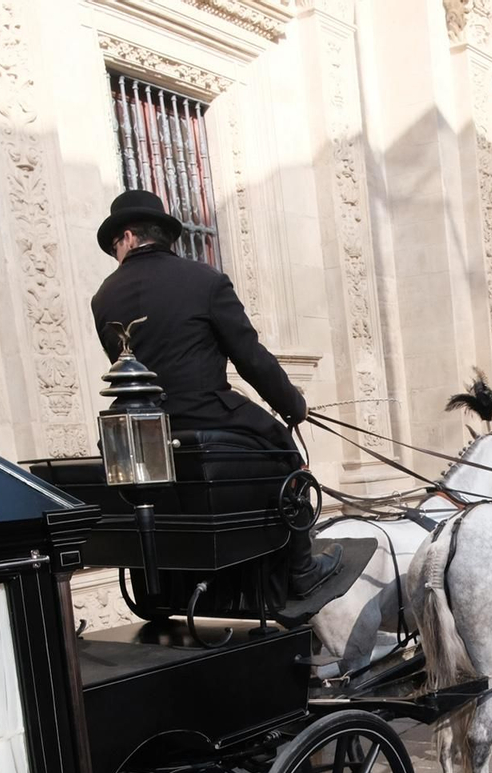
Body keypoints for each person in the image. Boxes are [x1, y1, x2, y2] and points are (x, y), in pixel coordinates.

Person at [89, 189, 335, 597]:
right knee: (284, 451)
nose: (117, 254)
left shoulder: (103, 297)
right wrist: (292, 406)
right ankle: (301, 569)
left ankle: (163, 585)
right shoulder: (205, 281)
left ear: (129, 236)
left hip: (142, 432)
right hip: (205, 411)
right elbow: (250, 357)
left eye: (115, 245)